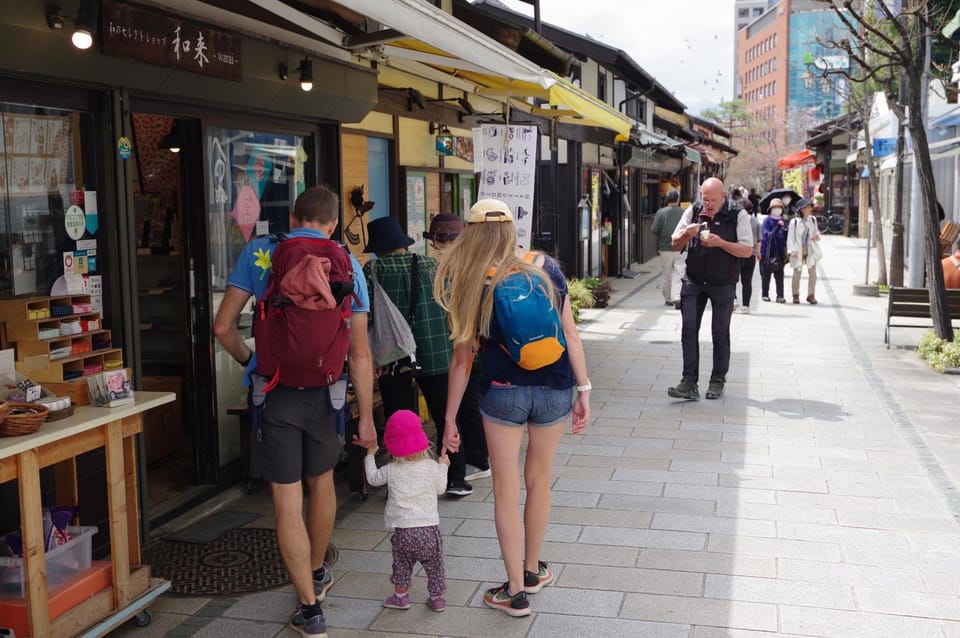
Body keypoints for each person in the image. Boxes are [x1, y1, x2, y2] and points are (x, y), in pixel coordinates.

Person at [213, 185, 376, 637]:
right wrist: (365, 417)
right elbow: (360, 353)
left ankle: (309, 609)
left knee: (286, 501)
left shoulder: (262, 253)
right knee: (321, 484)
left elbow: (222, 326)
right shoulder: (348, 265)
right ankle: (319, 570)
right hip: (328, 393)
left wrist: (252, 363)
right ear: (329, 224)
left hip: (275, 391)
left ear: (295, 217)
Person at [434, 199, 591, 618]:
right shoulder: (546, 267)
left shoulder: (471, 279)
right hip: (555, 387)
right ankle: (533, 570)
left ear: (470, 233)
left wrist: (449, 419)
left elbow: (462, 360)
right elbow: (571, 335)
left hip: (502, 391)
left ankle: (515, 592)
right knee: (539, 480)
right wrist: (584, 388)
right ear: (510, 230)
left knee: (506, 489)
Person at [363, 217, 473, 497]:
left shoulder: (373, 270)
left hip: (394, 356)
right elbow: (449, 304)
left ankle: (405, 483)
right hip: (435, 351)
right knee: (445, 414)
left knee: (400, 418)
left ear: (378, 246)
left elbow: (367, 316)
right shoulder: (431, 265)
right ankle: (456, 477)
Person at [668, 177, 754, 401]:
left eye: (713, 200)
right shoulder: (693, 210)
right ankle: (689, 382)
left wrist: (721, 243)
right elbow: (674, 243)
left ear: (723, 196)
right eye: (705, 199)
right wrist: (687, 233)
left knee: (719, 332)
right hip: (694, 280)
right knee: (688, 329)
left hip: (723, 282)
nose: (708, 204)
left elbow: (746, 250)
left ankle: (717, 381)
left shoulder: (738, 214)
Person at [362, 409, 449, 613]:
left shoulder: (391, 470)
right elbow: (441, 489)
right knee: (434, 566)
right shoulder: (430, 466)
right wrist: (443, 466)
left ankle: (401, 597)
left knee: (401, 566)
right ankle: (437, 598)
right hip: (428, 531)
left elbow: (372, 479)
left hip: (403, 532)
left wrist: (369, 455)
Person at [424, 214, 490, 482]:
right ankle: (479, 457)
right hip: (478, 344)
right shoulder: (474, 262)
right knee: (470, 403)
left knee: (465, 405)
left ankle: (475, 459)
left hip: (460, 345)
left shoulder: (449, 267)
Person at [650, 189, 686, 307]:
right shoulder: (684, 212)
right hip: (681, 247)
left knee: (667, 274)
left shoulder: (661, 212)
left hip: (665, 248)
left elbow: (654, 229)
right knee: (679, 272)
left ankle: (668, 298)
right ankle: (678, 296)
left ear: (667, 200)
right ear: (678, 200)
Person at [786, 197, 822, 304]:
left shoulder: (813, 220)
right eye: (807, 207)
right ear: (802, 209)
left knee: (813, 274)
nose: (810, 208)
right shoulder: (795, 222)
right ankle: (795, 295)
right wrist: (792, 250)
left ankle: (811, 295)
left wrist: (816, 237)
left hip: (810, 250)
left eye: (810, 206)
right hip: (798, 249)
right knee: (797, 273)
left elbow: (817, 233)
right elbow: (790, 238)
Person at [759, 198, 788, 303]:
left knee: (779, 276)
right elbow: (768, 236)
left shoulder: (784, 220)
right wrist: (777, 227)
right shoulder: (767, 221)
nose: (777, 209)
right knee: (766, 275)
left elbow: (785, 237)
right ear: (770, 209)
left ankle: (780, 295)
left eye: (779, 208)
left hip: (779, 253)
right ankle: (765, 294)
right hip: (767, 252)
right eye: (775, 208)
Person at [736, 203, 761, 314]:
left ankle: (734, 300)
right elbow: (759, 240)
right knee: (747, 281)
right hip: (750, 254)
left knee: (733, 278)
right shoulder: (755, 222)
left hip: (737, 253)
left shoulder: (738, 219)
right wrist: (758, 252)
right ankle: (746, 305)